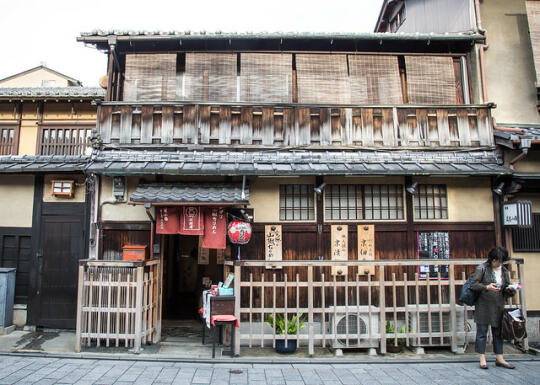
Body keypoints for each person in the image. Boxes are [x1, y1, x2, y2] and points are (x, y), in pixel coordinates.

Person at [470, 246, 516, 369]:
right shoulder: (482, 268)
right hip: (483, 304)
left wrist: (511, 289)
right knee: (482, 332)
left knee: (498, 333)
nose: (499, 263)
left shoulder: (504, 271)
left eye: (501, 261)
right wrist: (486, 287)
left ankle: (499, 357)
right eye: (497, 261)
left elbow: (506, 289)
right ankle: (482, 358)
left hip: (499, 304)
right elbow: (473, 285)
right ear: (492, 259)